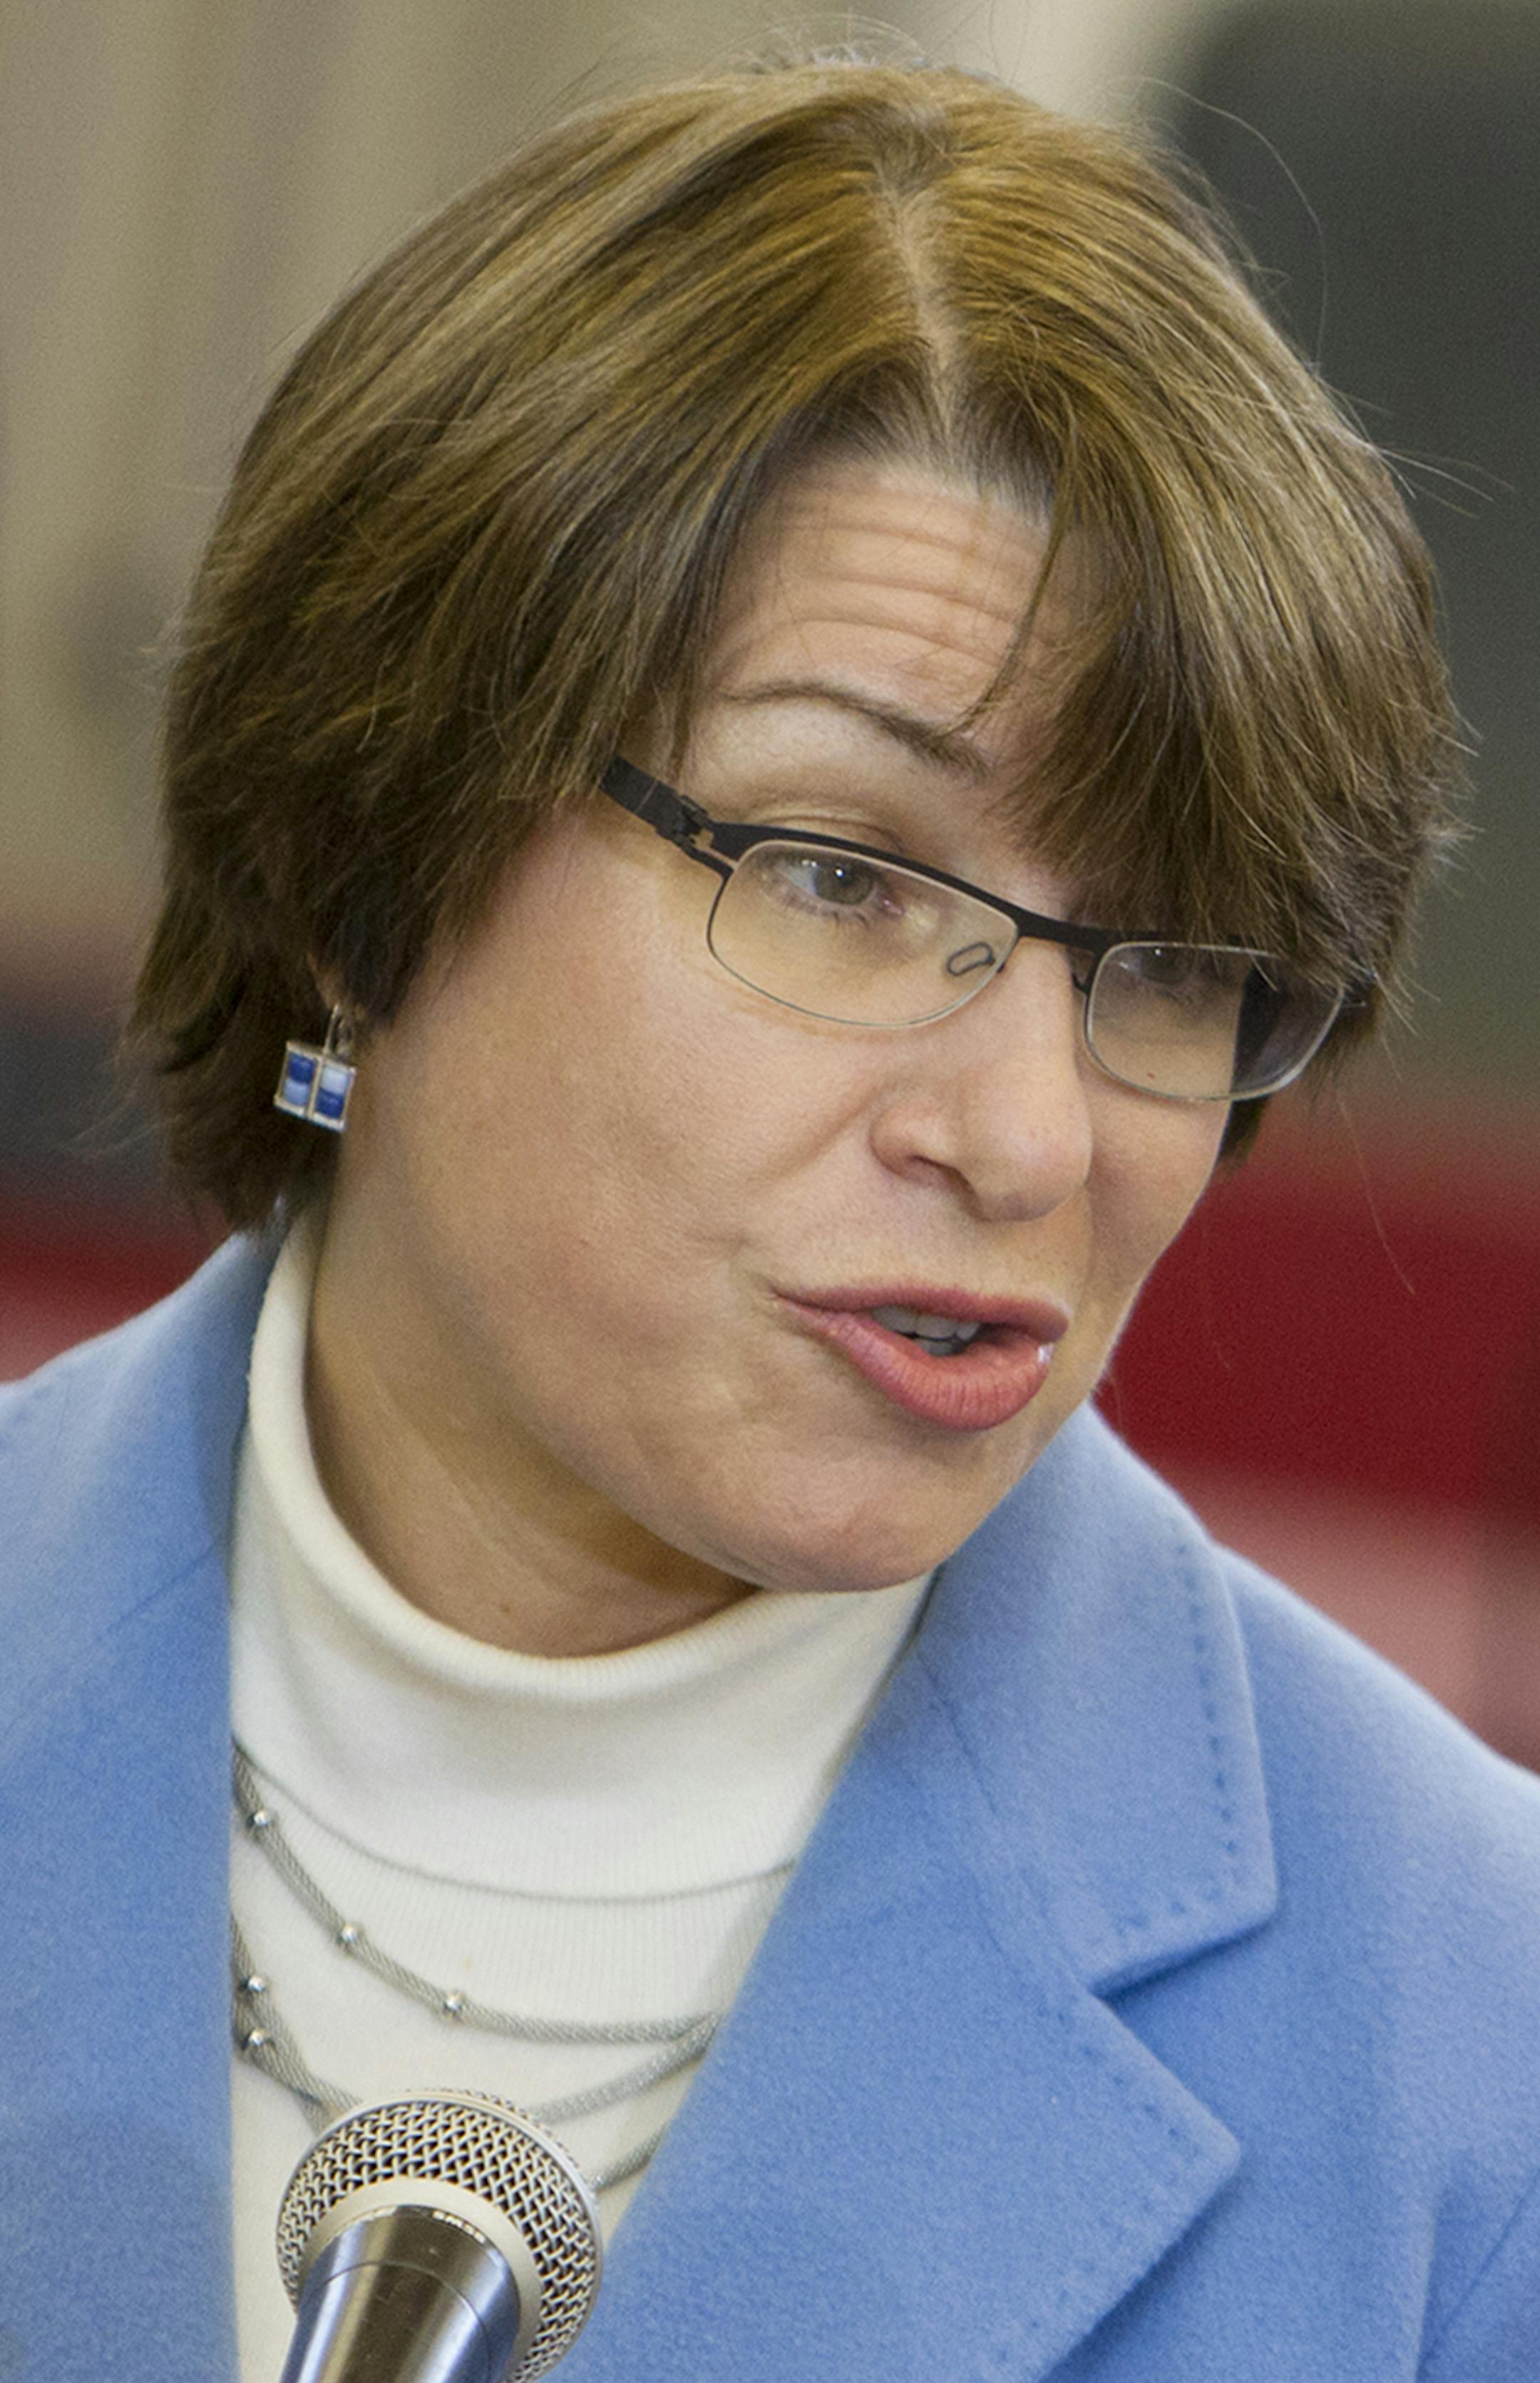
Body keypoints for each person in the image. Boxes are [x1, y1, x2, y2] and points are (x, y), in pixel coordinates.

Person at [2, 51, 1537, 2383]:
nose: (1032, 1138)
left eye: (1181, 959)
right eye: (836, 873)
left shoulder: (1473, 2057)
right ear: (359, 866)